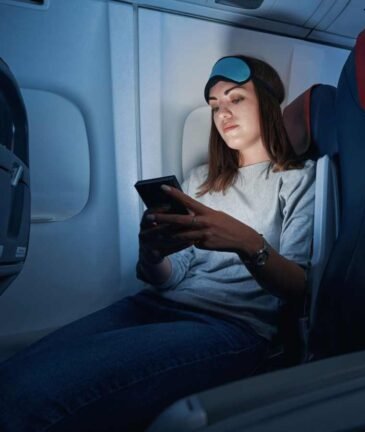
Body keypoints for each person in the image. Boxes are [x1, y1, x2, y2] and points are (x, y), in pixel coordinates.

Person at [0, 55, 315, 431]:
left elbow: (299, 286)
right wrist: (152, 255)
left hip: (230, 327)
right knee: (14, 373)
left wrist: (246, 242)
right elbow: (169, 276)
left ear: (266, 101)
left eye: (235, 99)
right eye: (215, 106)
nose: (222, 113)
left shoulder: (297, 180)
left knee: (33, 396)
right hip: (154, 305)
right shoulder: (204, 179)